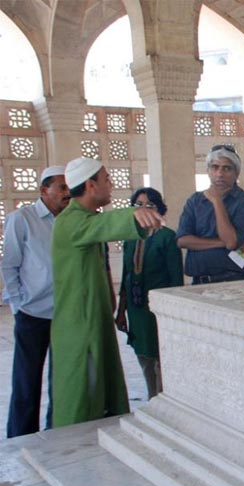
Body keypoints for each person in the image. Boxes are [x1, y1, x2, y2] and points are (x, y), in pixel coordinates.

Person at [50, 157, 163, 427]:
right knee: (82, 395)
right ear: (90, 185)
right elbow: (101, 227)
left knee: (102, 388)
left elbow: (98, 227)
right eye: (107, 179)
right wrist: (132, 215)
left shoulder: (86, 218)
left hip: (93, 319)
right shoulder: (71, 221)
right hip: (79, 324)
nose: (111, 185)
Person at [2, 166, 70, 437]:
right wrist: (18, 305)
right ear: (44, 190)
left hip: (64, 314)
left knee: (61, 381)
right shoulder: (23, 218)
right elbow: (9, 265)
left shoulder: (69, 219)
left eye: (69, 188)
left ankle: (55, 432)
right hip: (32, 314)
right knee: (26, 381)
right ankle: (21, 437)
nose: (67, 194)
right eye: (61, 188)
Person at [115, 188, 184, 400]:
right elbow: (127, 276)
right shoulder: (130, 238)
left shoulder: (167, 237)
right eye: (138, 205)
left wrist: (174, 313)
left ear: (159, 209)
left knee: (160, 356)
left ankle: (165, 399)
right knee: (143, 354)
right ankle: (151, 396)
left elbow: (175, 279)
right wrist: (121, 310)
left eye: (150, 204)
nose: (144, 209)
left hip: (158, 309)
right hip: (137, 309)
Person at [176, 144, 244, 284]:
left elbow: (231, 242)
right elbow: (182, 240)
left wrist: (216, 201)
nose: (220, 174)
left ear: (236, 173)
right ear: (208, 171)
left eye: (226, 168)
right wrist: (220, 243)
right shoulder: (195, 200)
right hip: (199, 281)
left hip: (233, 281)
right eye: (215, 167)